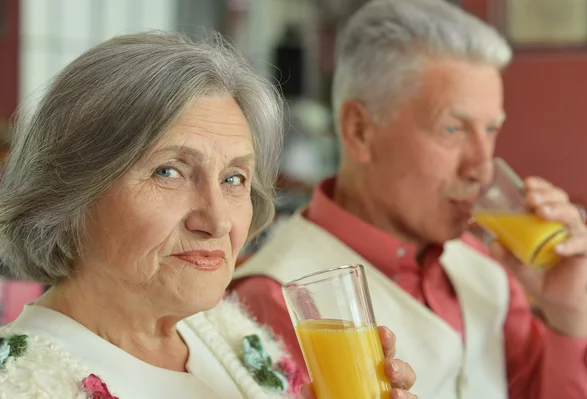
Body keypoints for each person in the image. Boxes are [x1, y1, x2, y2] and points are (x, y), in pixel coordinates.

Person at [0, 32, 417, 398]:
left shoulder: (235, 338)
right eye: (169, 172)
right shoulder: (18, 383)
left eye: (234, 178)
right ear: (70, 191)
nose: (217, 222)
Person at [230, 1, 587, 398]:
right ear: (359, 130)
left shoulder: (486, 266)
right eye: (453, 129)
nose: (483, 167)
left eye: (491, 129)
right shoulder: (270, 300)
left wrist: (567, 310)